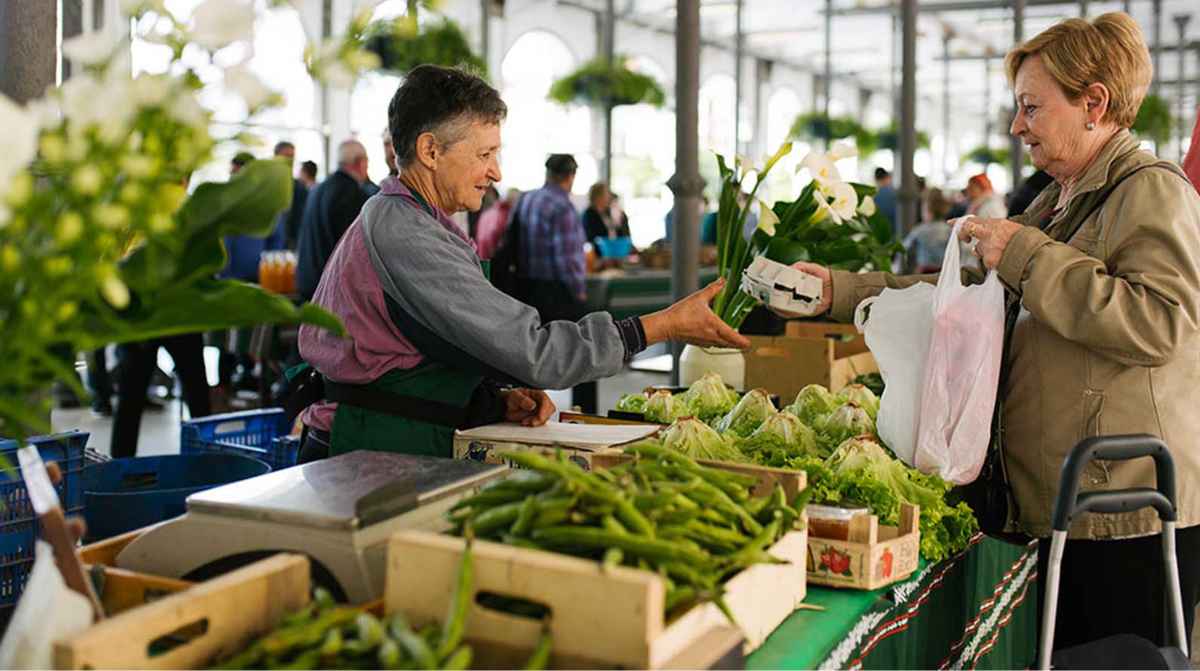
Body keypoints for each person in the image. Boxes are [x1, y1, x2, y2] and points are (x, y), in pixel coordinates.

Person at [789, 13, 1200, 653]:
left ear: (1094, 104)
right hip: (1066, 510)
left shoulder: (1150, 192)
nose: (1017, 127)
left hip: (1122, 520)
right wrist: (838, 292)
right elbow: (956, 297)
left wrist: (1029, 257)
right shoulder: (1057, 202)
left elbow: (1160, 322)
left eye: (1032, 107)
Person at [295, 64, 747, 462]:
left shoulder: (409, 216)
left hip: (386, 439)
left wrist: (488, 401)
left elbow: (402, 355)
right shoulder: (404, 232)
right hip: (365, 454)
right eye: (484, 154)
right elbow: (536, 353)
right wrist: (661, 326)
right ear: (430, 151)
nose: (497, 172)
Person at [514, 154, 599, 412]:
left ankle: (525, 405)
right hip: (557, 291)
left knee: (526, 353)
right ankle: (584, 413)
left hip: (527, 286)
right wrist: (579, 291)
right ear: (571, 176)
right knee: (587, 350)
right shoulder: (562, 206)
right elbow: (568, 257)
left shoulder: (528, 199)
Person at [296, 140, 372, 301]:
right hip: (332, 292)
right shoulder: (352, 194)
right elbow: (353, 251)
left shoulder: (318, 189)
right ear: (360, 162)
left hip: (308, 283)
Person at [902, 188, 954, 273]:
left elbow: (905, 247)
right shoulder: (948, 229)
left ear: (928, 210)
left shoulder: (920, 229)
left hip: (924, 270)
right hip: (944, 271)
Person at [273, 141, 310, 250]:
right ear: (276, 157)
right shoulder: (268, 185)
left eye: (292, 156)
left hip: (292, 244)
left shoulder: (299, 187)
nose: (290, 160)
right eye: (286, 156)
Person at [474, 187, 519, 260]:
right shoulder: (505, 214)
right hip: (492, 257)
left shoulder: (488, 212)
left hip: (480, 255)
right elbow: (494, 232)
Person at [873, 167, 899, 238]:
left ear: (875, 179)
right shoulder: (894, 194)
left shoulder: (873, 196)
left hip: (878, 236)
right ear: (887, 178)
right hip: (894, 234)